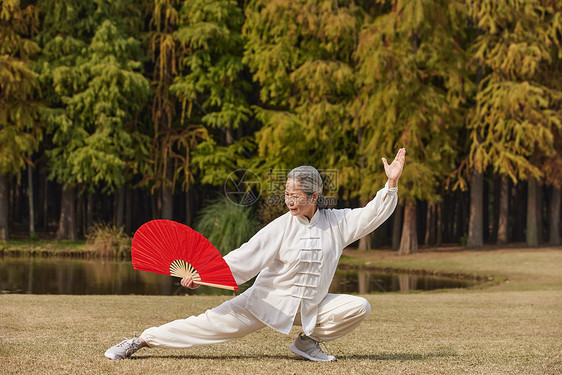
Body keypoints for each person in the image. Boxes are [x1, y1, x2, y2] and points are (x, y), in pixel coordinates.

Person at [105, 148, 406, 362]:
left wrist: (390, 184)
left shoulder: (338, 223)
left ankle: (306, 343)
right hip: (264, 303)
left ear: (315, 197)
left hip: (310, 308)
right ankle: (140, 341)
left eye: (296, 196)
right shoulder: (280, 227)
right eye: (287, 194)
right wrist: (203, 275)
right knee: (207, 324)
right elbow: (245, 257)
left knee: (359, 306)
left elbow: (371, 215)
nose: (289, 200)